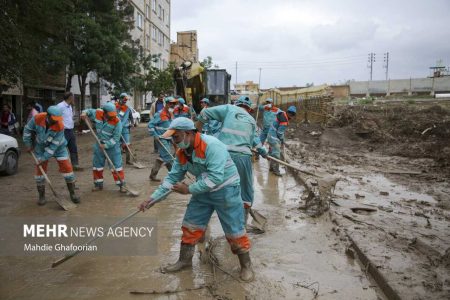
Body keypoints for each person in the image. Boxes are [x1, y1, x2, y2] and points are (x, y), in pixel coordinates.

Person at [139, 117, 254, 282]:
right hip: (202, 190)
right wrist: (152, 199)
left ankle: (246, 266)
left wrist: (188, 190)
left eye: (176, 137)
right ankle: (184, 261)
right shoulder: (182, 152)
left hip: (226, 189)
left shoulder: (212, 146)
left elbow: (215, 178)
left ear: (188, 133)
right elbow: (172, 179)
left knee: (234, 230)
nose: (173, 141)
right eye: (172, 138)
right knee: (190, 225)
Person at [196, 96, 268, 223]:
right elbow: (257, 142)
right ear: (249, 109)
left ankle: (202, 227)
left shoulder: (229, 109)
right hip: (243, 158)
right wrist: (263, 152)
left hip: (223, 156)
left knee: (211, 187)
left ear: (236, 104)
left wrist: (197, 135)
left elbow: (204, 112)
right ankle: (242, 224)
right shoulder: (251, 120)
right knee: (246, 190)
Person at [23, 106, 80, 205]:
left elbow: (53, 147)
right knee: (40, 170)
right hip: (40, 147)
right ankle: (42, 196)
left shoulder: (60, 126)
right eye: (53, 119)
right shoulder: (37, 118)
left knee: (67, 168)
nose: (55, 122)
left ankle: (72, 193)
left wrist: (44, 158)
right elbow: (27, 130)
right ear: (47, 116)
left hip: (59, 148)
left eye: (57, 120)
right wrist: (28, 144)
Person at [81, 102, 126, 192]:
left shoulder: (117, 121)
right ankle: (98, 184)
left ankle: (122, 185)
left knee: (117, 166)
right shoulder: (98, 113)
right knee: (97, 166)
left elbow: (116, 138)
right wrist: (84, 113)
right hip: (99, 144)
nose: (111, 116)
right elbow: (88, 111)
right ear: (104, 112)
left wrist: (106, 145)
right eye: (109, 115)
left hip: (112, 148)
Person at [147, 96, 178, 181]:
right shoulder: (159, 114)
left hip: (168, 138)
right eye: (171, 103)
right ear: (167, 104)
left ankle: (152, 175)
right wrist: (155, 135)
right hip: (161, 138)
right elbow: (150, 125)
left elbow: (170, 127)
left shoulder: (171, 114)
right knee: (169, 157)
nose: (172, 105)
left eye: (174, 104)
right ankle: (174, 177)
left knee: (162, 157)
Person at [267, 106, 297, 176]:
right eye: (292, 116)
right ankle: (276, 170)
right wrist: (282, 140)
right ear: (290, 114)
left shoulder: (282, 113)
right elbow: (280, 133)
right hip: (273, 137)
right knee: (277, 154)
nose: (292, 118)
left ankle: (271, 168)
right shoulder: (284, 121)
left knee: (273, 153)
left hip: (270, 135)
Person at [56, 92, 82, 170]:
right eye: (73, 97)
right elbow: (55, 117)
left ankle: (75, 165)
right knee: (62, 149)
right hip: (63, 131)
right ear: (70, 97)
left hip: (71, 130)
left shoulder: (70, 107)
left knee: (73, 148)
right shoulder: (60, 106)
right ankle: (63, 166)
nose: (73, 99)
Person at [115, 92, 133, 164]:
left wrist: (132, 123)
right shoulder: (115, 107)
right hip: (116, 128)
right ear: (121, 99)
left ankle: (128, 160)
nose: (125, 101)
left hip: (125, 128)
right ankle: (117, 160)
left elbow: (130, 117)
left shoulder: (127, 108)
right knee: (117, 144)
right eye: (124, 99)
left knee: (127, 144)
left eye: (126, 100)